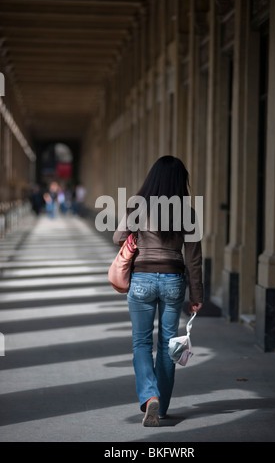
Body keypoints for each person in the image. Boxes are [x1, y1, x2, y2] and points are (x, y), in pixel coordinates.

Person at [113, 155, 203, 427]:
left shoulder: (137, 206)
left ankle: (149, 395)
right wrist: (197, 295)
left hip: (141, 279)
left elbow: (118, 237)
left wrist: (138, 236)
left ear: (152, 178)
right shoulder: (187, 212)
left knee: (141, 342)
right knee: (167, 344)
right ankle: (161, 407)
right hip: (174, 281)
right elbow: (194, 258)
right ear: (180, 182)